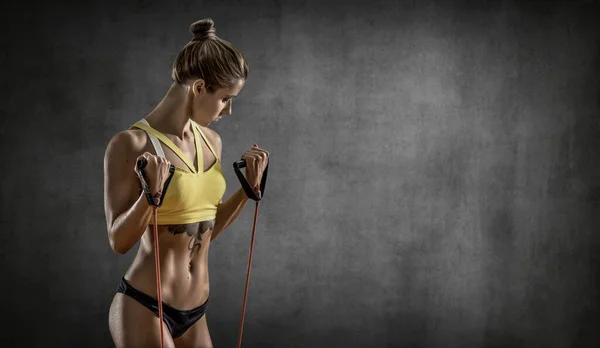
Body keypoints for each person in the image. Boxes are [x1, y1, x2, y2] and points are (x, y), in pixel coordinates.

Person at [103, 18, 269, 348]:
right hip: (145, 306)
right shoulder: (131, 145)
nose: (229, 110)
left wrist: (247, 192)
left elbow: (203, 228)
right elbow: (119, 241)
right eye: (225, 98)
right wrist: (150, 197)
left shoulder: (211, 141)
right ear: (198, 87)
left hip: (195, 312)